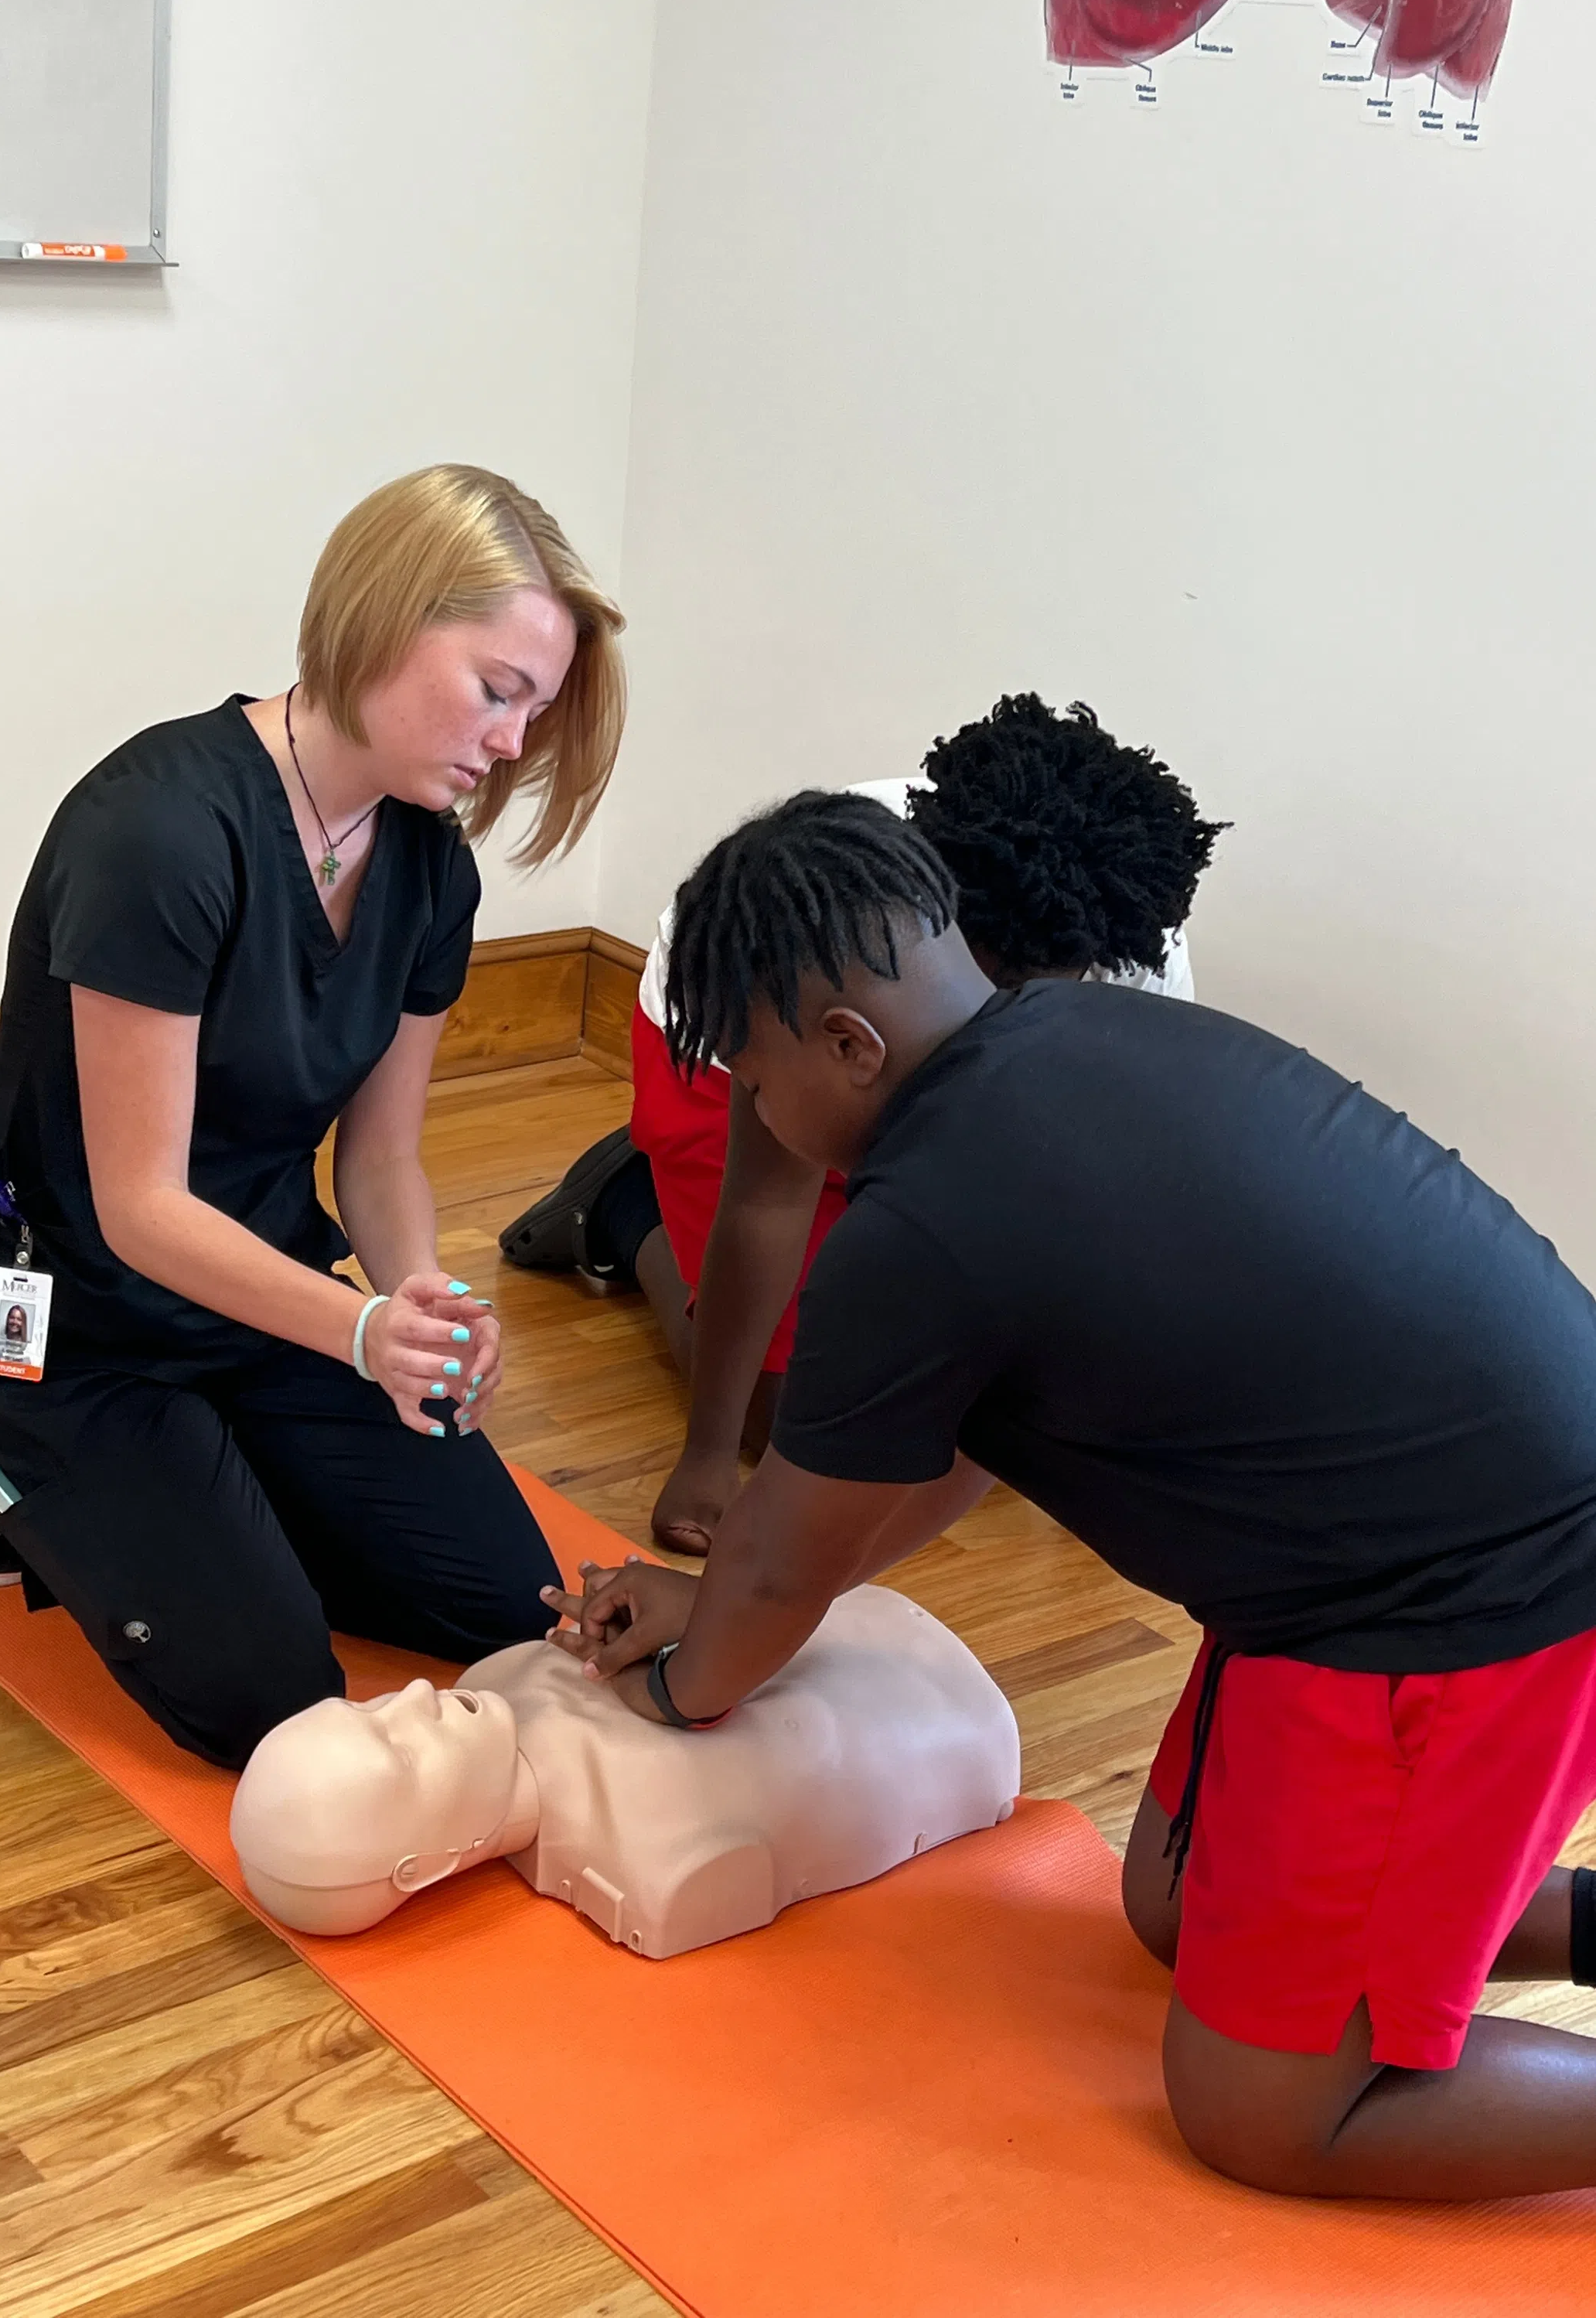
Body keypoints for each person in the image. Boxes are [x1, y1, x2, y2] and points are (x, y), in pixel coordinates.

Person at [544, 790, 1596, 2204]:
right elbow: (939, 1466)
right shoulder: (1086, 1036)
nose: (754, 1109)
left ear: (847, 1048)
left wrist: (681, 1690)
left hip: (1467, 1618)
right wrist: (712, 1602)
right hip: (1394, 1561)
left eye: (750, 1072)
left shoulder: (918, 1224)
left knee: (1258, 2114)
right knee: (1172, 1898)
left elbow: (784, 1574)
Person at [0, 463, 626, 1770]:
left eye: (536, 708)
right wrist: (361, 1331)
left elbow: (385, 1155)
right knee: (271, 1697)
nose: (514, 742)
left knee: (506, 1614)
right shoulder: (163, 831)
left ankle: (207, 1477)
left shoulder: (425, 865)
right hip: (73, 1309)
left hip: (264, 1291)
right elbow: (139, 1208)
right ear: (389, 621)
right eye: (499, 690)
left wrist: (420, 1304)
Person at [500, 695, 1223, 1548]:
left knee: (960, 1435)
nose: (983, 1016)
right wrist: (706, 1453)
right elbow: (767, 1204)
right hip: (731, 1046)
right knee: (792, 1425)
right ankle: (628, 1210)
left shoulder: (1134, 955)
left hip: (891, 1086)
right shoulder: (820, 925)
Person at [230, 1577, 1018, 1953]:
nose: (407, 1695)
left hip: (846, 1613)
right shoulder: (652, 1866)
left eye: (368, 1708)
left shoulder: (492, 1681)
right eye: (400, 1749)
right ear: (415, 1868)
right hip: (941, 1715)